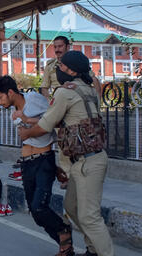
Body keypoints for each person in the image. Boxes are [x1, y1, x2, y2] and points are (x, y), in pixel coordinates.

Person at [19, 51, 123, 256]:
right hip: (84, 161)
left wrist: (26, 132)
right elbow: (62, 120)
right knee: (72, 206)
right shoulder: (85, 90)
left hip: (88, 162)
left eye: (62, 66)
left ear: (73, 71)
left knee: (89, 215)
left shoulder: (66, 92)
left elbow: (46, 125)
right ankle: (93, 250)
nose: (58, 69)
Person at [0, 75, 74, 256]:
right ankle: (64, 242)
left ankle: (64, 237)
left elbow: (53, 120)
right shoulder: (14, 112)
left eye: (0, 98)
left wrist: (27, 119)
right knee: (34, 212)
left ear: (10, 92)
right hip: (27, 163)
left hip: (44, 160)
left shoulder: (34, 99)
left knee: (39, 206)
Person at [41, 36, 101, 189]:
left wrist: (96, 104)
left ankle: (86, 173)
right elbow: (44, 87)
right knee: (64, 143)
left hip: (76, 105)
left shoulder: (77, 62)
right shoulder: (50, 66)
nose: (57, 49)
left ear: (68, 46)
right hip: (59, 105)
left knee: (84, 139)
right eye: (55, 47)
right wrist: (49, 103)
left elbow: (93, 81)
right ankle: (68, 177)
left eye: (60, 46)